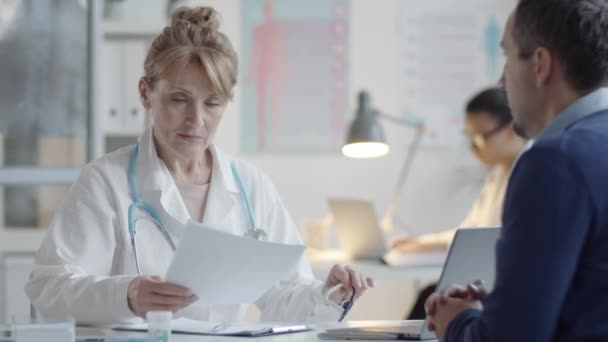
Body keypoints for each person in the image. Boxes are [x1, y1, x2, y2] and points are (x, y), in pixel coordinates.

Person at [25, 6, 373, 325]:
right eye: (179, 99)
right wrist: (127, 295)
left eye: (213, 103)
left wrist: (329, 295)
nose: (197, 120)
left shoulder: (251, 186)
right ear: (146, 94)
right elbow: (48, 289)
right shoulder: (105, 182)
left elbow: (284, 295)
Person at [425, 0, 608, 341]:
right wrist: (499, 305)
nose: (501, 81)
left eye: (507, 58)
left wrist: (457, 321)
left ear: (540, 65)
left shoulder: (554, 162)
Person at [392, 87, 528, 319]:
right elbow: (469, 231)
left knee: (433, 299)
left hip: (505, 287)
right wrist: (420, 243)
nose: (472, 147)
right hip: (482, 280)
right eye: (469, 137)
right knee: (430, 298)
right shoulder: (497, 174)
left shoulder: (531, 173)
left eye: (479, 137)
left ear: (511, 129)